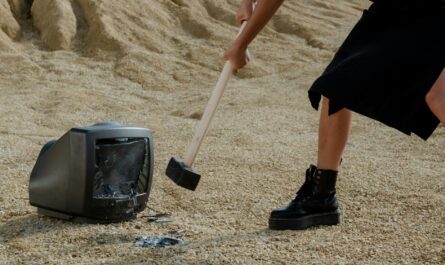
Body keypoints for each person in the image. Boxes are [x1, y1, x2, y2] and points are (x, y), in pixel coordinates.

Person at [224, 0, 445, 230]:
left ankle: (322, 196)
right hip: (392, 9)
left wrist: (241, 43)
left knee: (439, 99)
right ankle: (322, 195)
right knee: (338, 85)